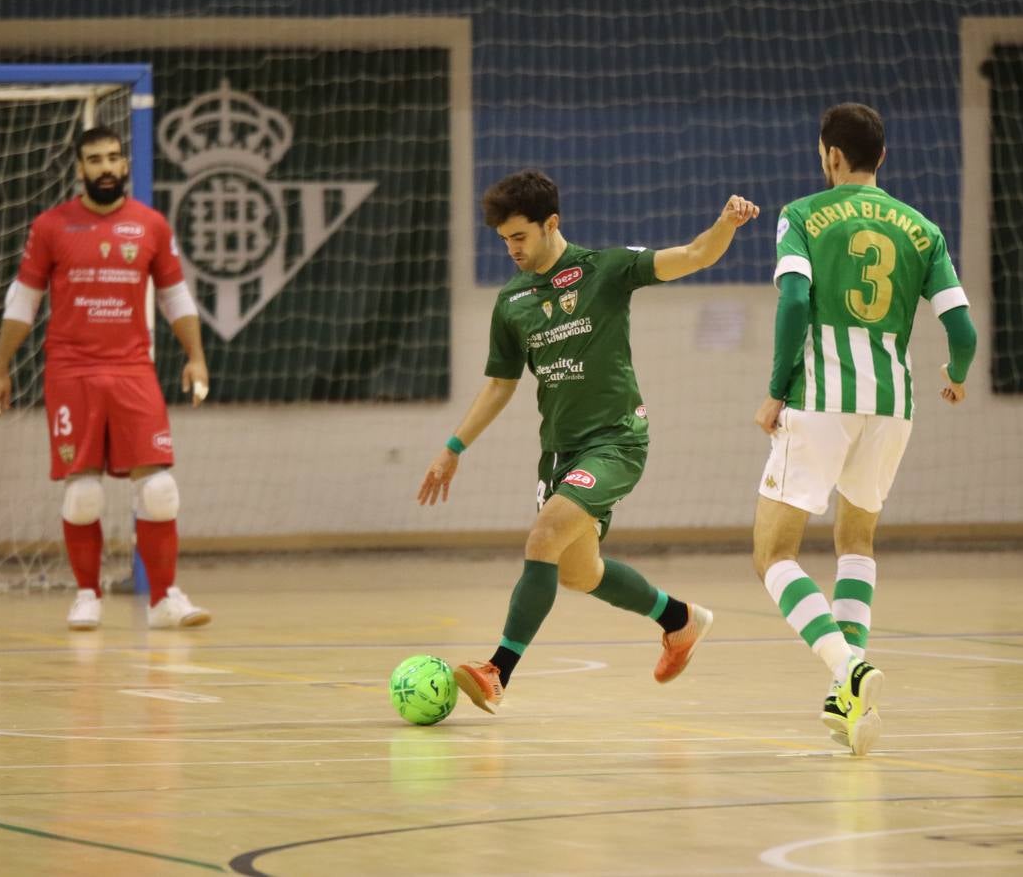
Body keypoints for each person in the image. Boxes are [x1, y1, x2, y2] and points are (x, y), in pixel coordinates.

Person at [418, 169, 758, 713]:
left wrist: (725, 224)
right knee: (580, 572)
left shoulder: (606, 269)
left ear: (552, 223)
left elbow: (694, 255)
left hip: (616, 441)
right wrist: (452, 448)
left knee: (543, 537)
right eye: (504, 239)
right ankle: (679, 619)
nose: (511, 249)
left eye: (520, 237)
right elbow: (500, 385)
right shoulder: (511, 302)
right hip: (559, 451)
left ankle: (497, 669)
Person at [751, 103, 977, 755]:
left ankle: (848, 668)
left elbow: (794, 302)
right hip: (894, 405)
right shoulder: (923, 229)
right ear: (884, 157)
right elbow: (961, 329)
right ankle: (847, 699)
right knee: (856, 543)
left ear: (831, 156)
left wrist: (774, 391)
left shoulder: (801, 215)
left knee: (772, 555)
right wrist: (956, 373)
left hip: (821, 401)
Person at [0, 125, 212, 631]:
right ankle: (87, 595)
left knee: (159, 490)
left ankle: (164, 600)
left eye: (113, 157)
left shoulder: (150, 225)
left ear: (125, 165)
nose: (106, 167)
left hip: (133, 367)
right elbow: (24, 300)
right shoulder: (51, 226)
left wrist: (195, 356)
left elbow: (175, 296)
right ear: (80, 168)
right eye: (94, 159)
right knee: (83, 494)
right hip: (72, 370)